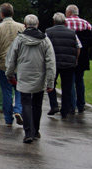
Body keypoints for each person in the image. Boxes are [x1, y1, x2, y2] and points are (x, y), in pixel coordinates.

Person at [5, 14, 56, 143]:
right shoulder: (45, 40)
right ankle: (35, 131)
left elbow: (11, 59)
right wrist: (50, 81)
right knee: (37, 104)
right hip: (40, 76)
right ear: (37, 24)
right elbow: (51, 62)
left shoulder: (19, 39)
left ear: (25, 24)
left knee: (26, 103)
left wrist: (9, 74)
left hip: (24, 76)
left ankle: (27, 133)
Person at [0, 3, 25, 127]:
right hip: (19, 64)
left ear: (1, 14)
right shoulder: (22, 27)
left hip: (3, 64)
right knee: (20, 89)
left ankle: (8, 118)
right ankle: (18, 109)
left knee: (6, 90)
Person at [45, 12, 80, 118]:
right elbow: (78, 46)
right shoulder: (72, 33)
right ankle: (65, 109)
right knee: (67, 87)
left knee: (51, 84)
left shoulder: (48, 32)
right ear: (65, 22)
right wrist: (76, 60)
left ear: (54, 21)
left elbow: (44, 46)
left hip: (53, 63)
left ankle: (54, 105)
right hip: (68, 63)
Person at [64, 4, 92, 113]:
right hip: (83, 57)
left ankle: (71, 105)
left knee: (70, 80)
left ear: (69, 13)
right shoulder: (86, 24)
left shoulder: (65, 23)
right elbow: (91, 41)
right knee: (80, 80)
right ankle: (81, 104)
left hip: (69, 55)